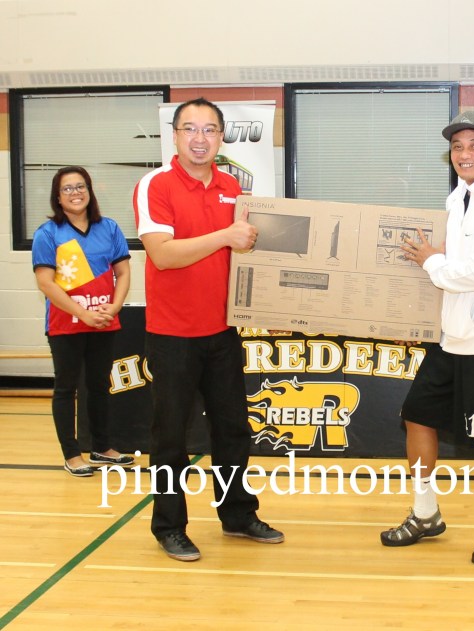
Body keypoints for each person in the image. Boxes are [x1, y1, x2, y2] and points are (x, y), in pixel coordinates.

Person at [133, 97, 284, 562]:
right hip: (172, 334)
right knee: (171, 436)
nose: (200, 138)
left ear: (222, 136)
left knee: (233, 430)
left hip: (223, 331)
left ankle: (237, 514)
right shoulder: (154, 185)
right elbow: (163, 254)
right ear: (174, 136)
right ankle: (169, 526)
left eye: (210, 129)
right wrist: (225, 236)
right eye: (190, 129)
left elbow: (250, 254)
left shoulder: (234, 189)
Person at [380, 111, 474, 564]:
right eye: (457, 147)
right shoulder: (456, 198)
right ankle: (426, 514)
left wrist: (430, 261)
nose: (464, 154)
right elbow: (458, 263)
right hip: (452, 338)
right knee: (416, 415)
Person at [32, 166, 134, 477]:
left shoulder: (110, 228)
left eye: (81, 186)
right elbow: (46, 283)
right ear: (57, 198)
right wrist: (83, 312)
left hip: (104, 322)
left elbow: (124, 272)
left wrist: (114, 307)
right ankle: (72, 454)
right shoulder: (47, 234)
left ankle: (101, 448)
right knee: (66, 388)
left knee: (100, 386)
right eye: (67, 189)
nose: (75, 193)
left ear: (89, 191)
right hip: (66, 326)